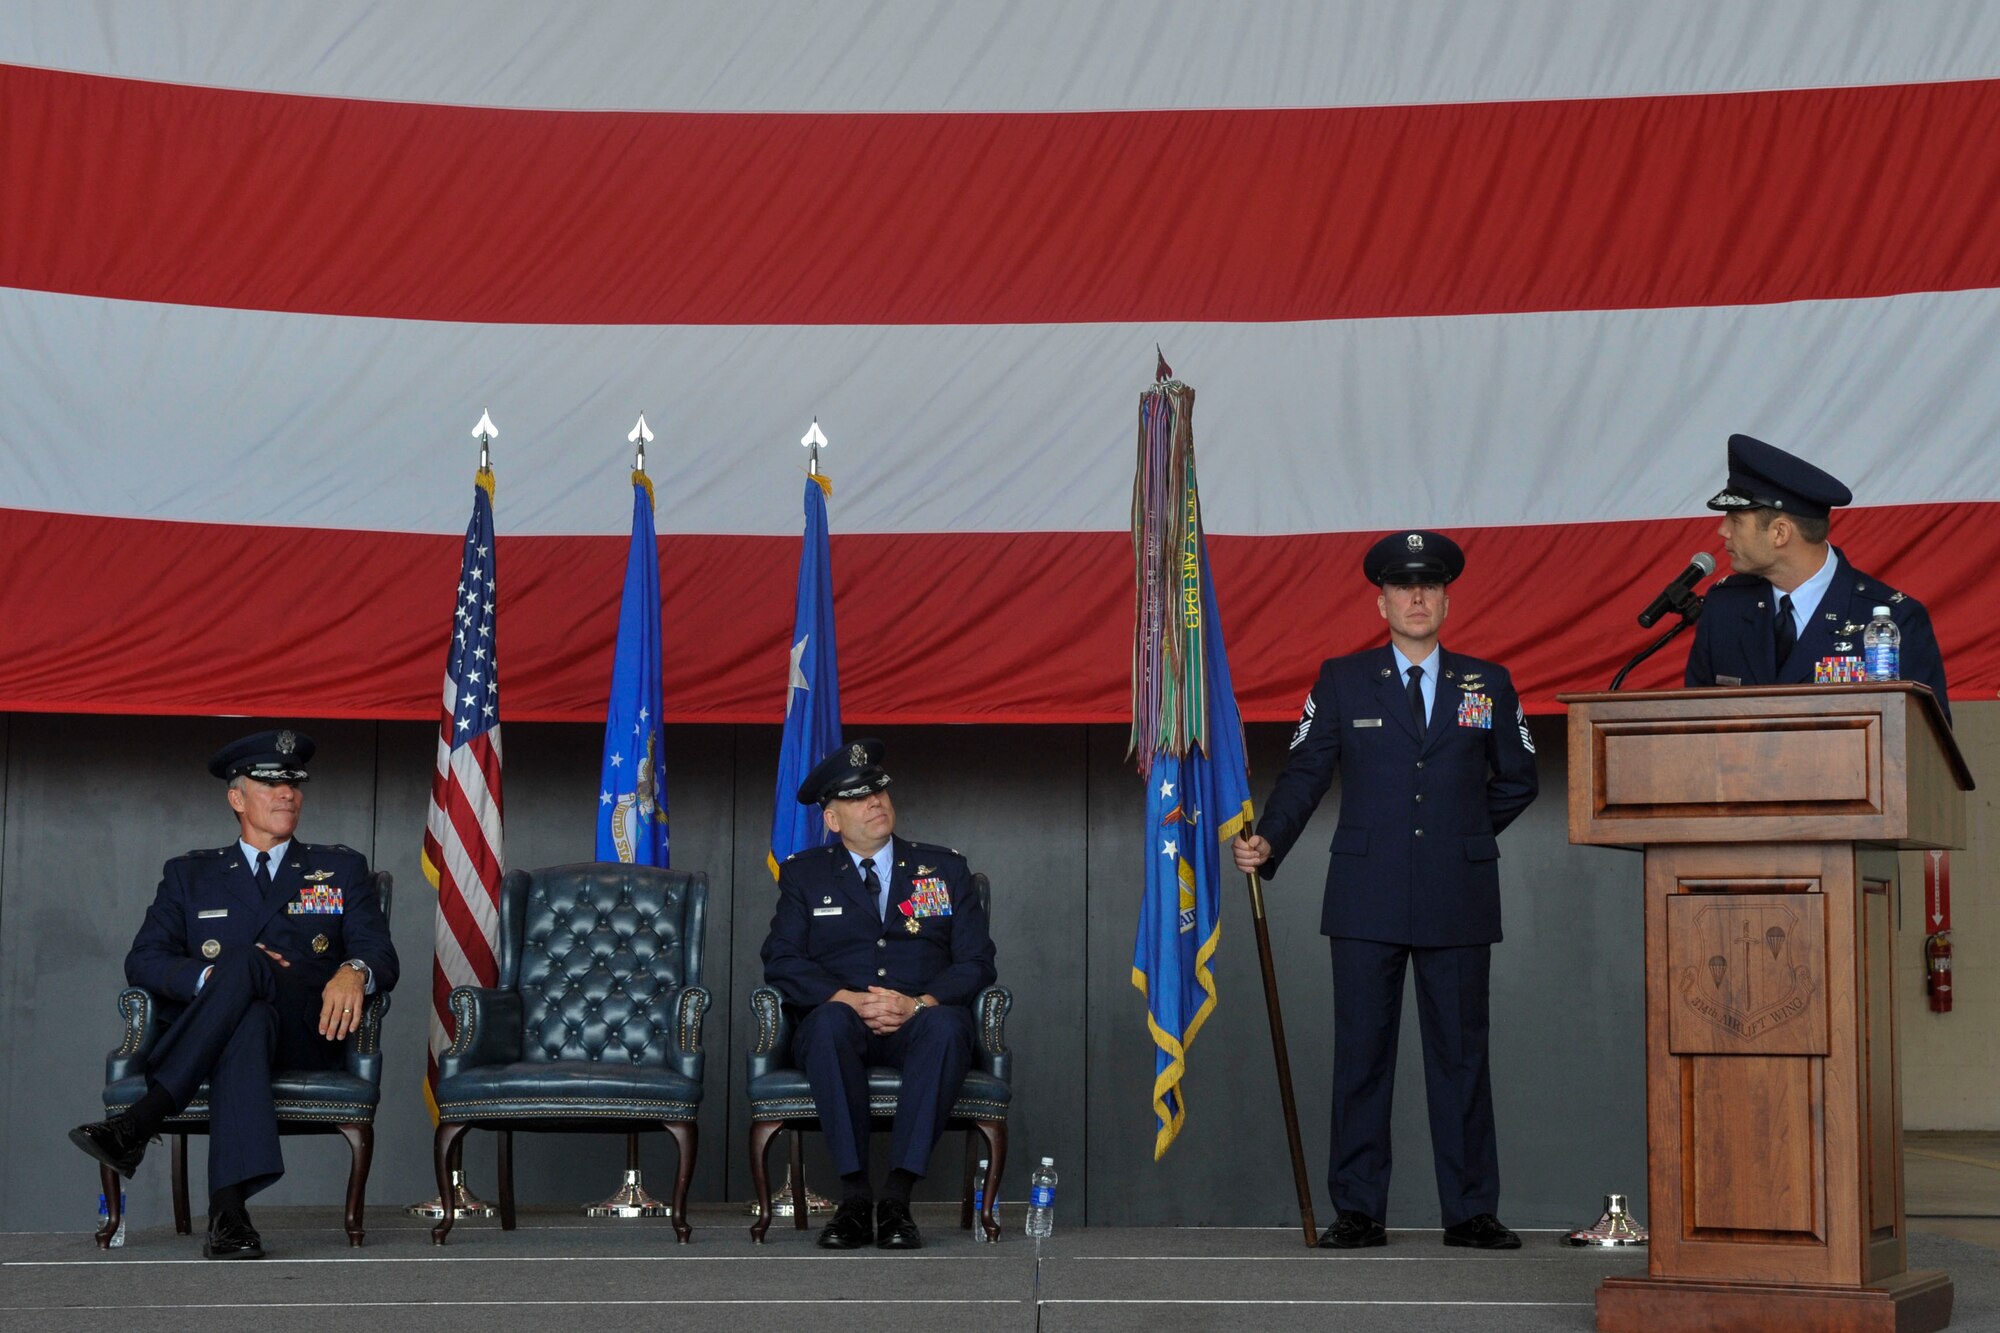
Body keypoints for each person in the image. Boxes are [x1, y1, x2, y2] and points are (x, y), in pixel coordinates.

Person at [1231, 531, 1538, 1251]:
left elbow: (1519, 778)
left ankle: (1471, 1210)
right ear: (1382, 603)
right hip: (1365, 892)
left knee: (1461, 1057)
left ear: (1447, 600)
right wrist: (1270, 838)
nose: (1417, 596)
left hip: (1457, 893)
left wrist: (1462, 834)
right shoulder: (1343, 680)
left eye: (1430, 585)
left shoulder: (1487, 683)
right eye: (1404, 586)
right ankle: (1359, 1209)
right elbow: (1307, 770)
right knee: (1361, 1056)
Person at [68, 730, 397, 1259]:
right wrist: (211, 981)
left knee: (245, 966)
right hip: (230, 1035)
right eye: (270, 784)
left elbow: (379, 952)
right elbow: (144, 960)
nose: (287, 793)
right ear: (237, 799)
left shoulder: (340, 868)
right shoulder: (190, 874)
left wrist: (354, 970)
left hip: (307, 1032)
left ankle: (142, 1119)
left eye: (294, 784)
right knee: (245, 1013)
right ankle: (229, 1217)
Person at [762, 738, 997, 1251]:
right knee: (825, 1024)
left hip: (919, 1018)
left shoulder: (944, 869)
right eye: (856, 797)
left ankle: (896, 1198)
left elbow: (977, 962)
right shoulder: (805, 874)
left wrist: (919, 1003)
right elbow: (781, 959)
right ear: (832, 819)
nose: (874, 802)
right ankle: (853, 1198)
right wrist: (846, 999)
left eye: (878, 791)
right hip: (843, 1019)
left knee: (947, 1027)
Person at [1685, 433, 1951, 723]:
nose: (1723, 531)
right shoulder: (1724, 608)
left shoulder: (1896, 619)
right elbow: (1695, 724)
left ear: (1780, 533)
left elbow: (1922, 738)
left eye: (1736, 521)